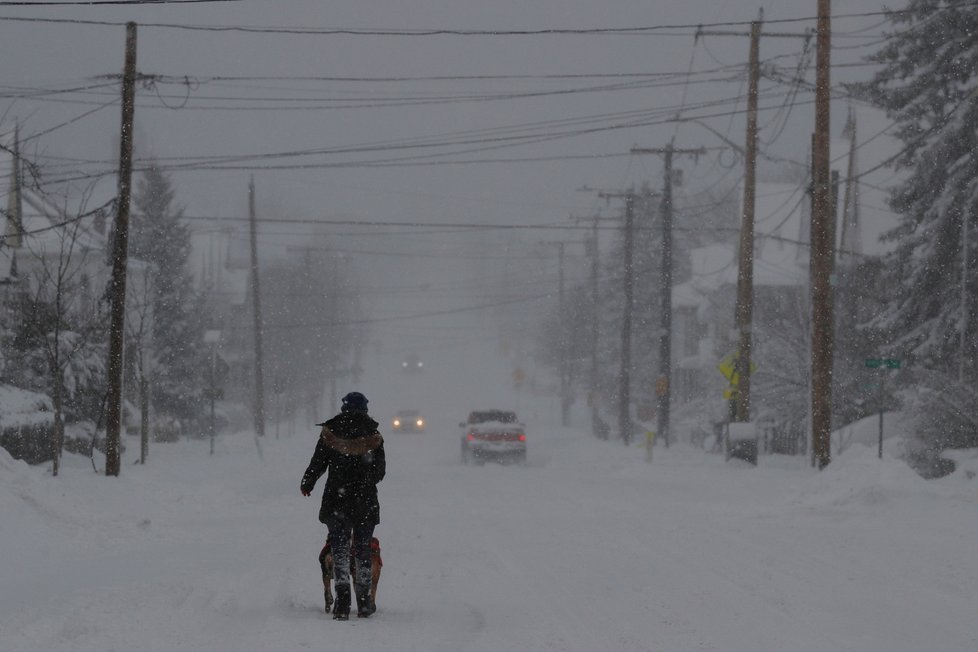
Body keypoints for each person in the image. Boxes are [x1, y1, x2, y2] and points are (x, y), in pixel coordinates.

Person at [301, 391, 386, 620]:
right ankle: (364, 601)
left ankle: (342, 601)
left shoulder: (331, 433)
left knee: (339, 550)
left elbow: (318, 462)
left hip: (336, 499)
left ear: (344, 408)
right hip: (365, 501)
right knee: (362, 550)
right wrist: (364, 480)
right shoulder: (373, 435)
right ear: (365, 409)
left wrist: (308, 482)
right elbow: (380, 472)